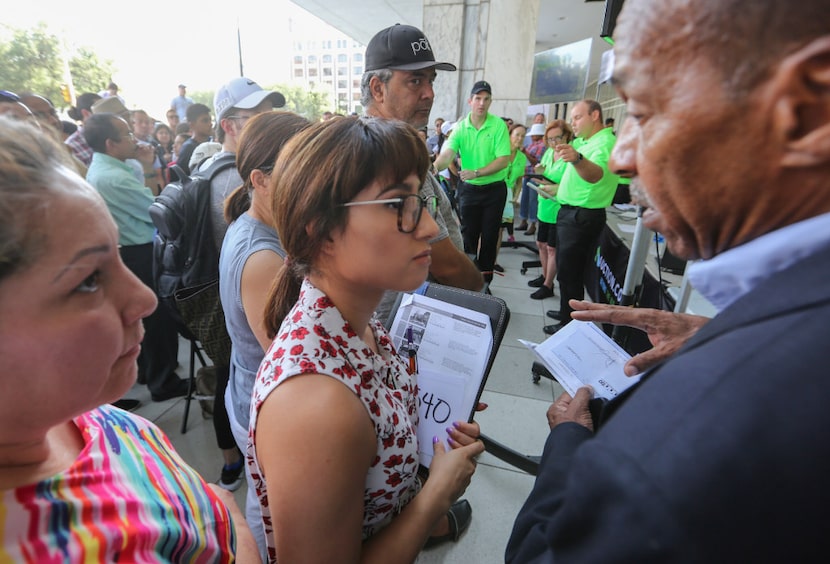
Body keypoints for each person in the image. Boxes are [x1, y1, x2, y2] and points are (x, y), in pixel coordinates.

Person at [506, 0, 830, 561]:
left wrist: (568, 441)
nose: (625, 156)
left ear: (804, 110)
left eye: (645, 110)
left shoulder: (683, 444)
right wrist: (723, 333)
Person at [0, 116, 258, 562]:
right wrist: (238, 530)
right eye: (87, 281)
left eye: (114, 257)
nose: (144, 299)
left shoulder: (77, 412)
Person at [250, 117, 484, 562]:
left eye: (421, 200)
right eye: (399, 204)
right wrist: (437, 493)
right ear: (320, 230)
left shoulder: (358, 322)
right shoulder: (315, 405)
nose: (430, 227)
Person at [219, 111, 312, 559]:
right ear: (260, 179)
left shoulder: (264, 230)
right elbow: (292, 361)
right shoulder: (262, 258)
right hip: (260, 406)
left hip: (247, 390)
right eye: (299, 169)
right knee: (269, 506)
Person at [361, 23, 483, 320]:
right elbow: (445, 263)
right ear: (378, 88)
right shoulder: (388, 151)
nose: (429, 93)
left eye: (431, 80)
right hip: (403, 326)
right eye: (415, 81)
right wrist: (480, 291)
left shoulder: (374, 142)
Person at [83, 113, 188, 402]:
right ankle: (162, 381)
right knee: (157, 317)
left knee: (150, 319)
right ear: (110, 143)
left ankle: (150, 370)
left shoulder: (112, 167)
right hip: (138, 252)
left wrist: (143, 166)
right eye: (127, 134)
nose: (134, 139)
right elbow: (156, 208)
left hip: (133, 247)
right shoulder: (112, 177)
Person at [543, 99, 618, 335]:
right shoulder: (585, 141)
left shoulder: (604, 143)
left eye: (577, 117)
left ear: (594, 115)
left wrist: (577, 159)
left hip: (581, 217)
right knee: (567, 272)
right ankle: (567, 311)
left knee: (571, 273)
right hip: (569, 212)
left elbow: (595, 175)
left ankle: (570, 326)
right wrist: (555, 190)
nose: (572, 123)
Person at [434, 80, 511, 286]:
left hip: (494, 191)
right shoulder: (461, 128)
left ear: (490, 101)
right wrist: (434, 167)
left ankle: (485, 286)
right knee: (467, 237)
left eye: (486, 99)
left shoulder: (498, 125)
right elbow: (447, 153)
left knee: (489, 238)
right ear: (470, 101)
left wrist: (477, 172)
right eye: (478, 98)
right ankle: (467, 283)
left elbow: (504, 159)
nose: (481, 103)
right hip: (469, 191)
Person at [530, 120, 574, 301]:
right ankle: (544, 275)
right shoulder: (549, 152)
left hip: (558, 206)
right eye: (550, 139)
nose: (554, 143)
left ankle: (548, 284)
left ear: (567, 136)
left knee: (552, 248)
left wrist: (547, 181)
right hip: (545, 204)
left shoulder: (570, 155)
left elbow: (568, 183)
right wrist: (539, 172)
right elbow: (544, 174)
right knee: (541, 244)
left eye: (558, 138)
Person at [494, 123, 528, 270]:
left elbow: (520, 180)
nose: (520, 138)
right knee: (489, 229)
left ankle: (493, 261)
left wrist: (516, 196)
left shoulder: (522, 157)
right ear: (509, 135)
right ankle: (479, 258)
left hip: (508, 196)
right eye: (517, 135)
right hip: (494, 191)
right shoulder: (500, 151)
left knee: (500, 229)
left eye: (523, 136)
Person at [517, 122, 547, 236]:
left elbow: (537, 162)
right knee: (525, 199)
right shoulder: (533, 144)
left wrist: (525, 153)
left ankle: (533, 224)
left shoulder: (542, 145)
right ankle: (524, 220)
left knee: (532, 200)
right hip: (527, 174)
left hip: (535, 175)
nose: (531, 136)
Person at [176, 103, 213, 176]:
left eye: (210, 120)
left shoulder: (214, 143)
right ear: (191, 124)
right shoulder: (188, 149)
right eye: (205, 121)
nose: (210, 124)